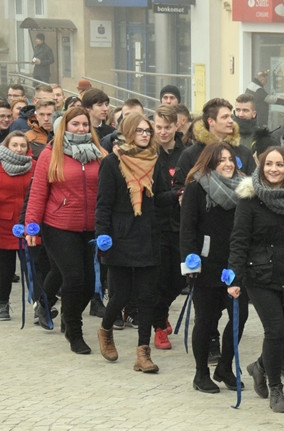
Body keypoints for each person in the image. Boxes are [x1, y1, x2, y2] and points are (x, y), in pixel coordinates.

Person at [229, 146, 284, 413]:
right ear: (261, 167)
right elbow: (239, 240)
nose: (274, 169)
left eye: (280, 164)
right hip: (260, 275)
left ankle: (260, 366)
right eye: (269, 164)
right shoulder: (249, 200)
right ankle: (276, 388)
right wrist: (234, 278)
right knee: (274, 331)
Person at [94, 113, 175, 373]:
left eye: (147, 131)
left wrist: (179, 195)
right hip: (120, 237)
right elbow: (103, 204)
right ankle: (106, 329)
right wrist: (102, 235)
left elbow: (159, 197)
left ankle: (143, 354)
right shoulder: (112, 162)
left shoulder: (155, 160)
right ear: (128, 132)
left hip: (148, 236)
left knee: (147, 297)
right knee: (121, 295)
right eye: (139, 130)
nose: (145, 135)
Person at [24, 106, 105, 353]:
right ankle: (74, 331)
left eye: (85, 124)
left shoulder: (99, 153)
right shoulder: (51, 154)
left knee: (89, 284)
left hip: (90, 227)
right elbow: (38, 193)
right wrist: (31, 227)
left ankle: (68, 316)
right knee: (73, 277)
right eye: (75, 124)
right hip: (58, 225)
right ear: (64, 126)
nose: (81, 129)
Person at [179, 142, 249, 394]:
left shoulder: (244, 187)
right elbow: (187, 228)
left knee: (240, 317)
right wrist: (190, 263)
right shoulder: (196, 186)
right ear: (210, 163)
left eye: (230, 159)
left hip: (235, 263)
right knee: (206, 320)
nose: (227, 164)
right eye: (221, 160)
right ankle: (201, 373)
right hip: (206, 264)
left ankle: (225, 367)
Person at [150, 105, 186, 350]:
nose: (162, 132)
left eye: (167, 127)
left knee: (179, 279)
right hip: (157, 225)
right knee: (161, 279)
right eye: (158, 127)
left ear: (177, 126)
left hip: (182, 225)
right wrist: (176, 194)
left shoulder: (185, 152)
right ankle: (158, 326)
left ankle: (160, 313)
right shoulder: (149, 152)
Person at [0, 132, 34, 321]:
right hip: (3, 225)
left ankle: (39, 304)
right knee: (5, 269)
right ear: (7, 146)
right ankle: (2, 304)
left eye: (22, 145)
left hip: (29, 225)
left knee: (33, 267)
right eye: (15, 145)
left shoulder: (34, 166)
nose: (19, 149)